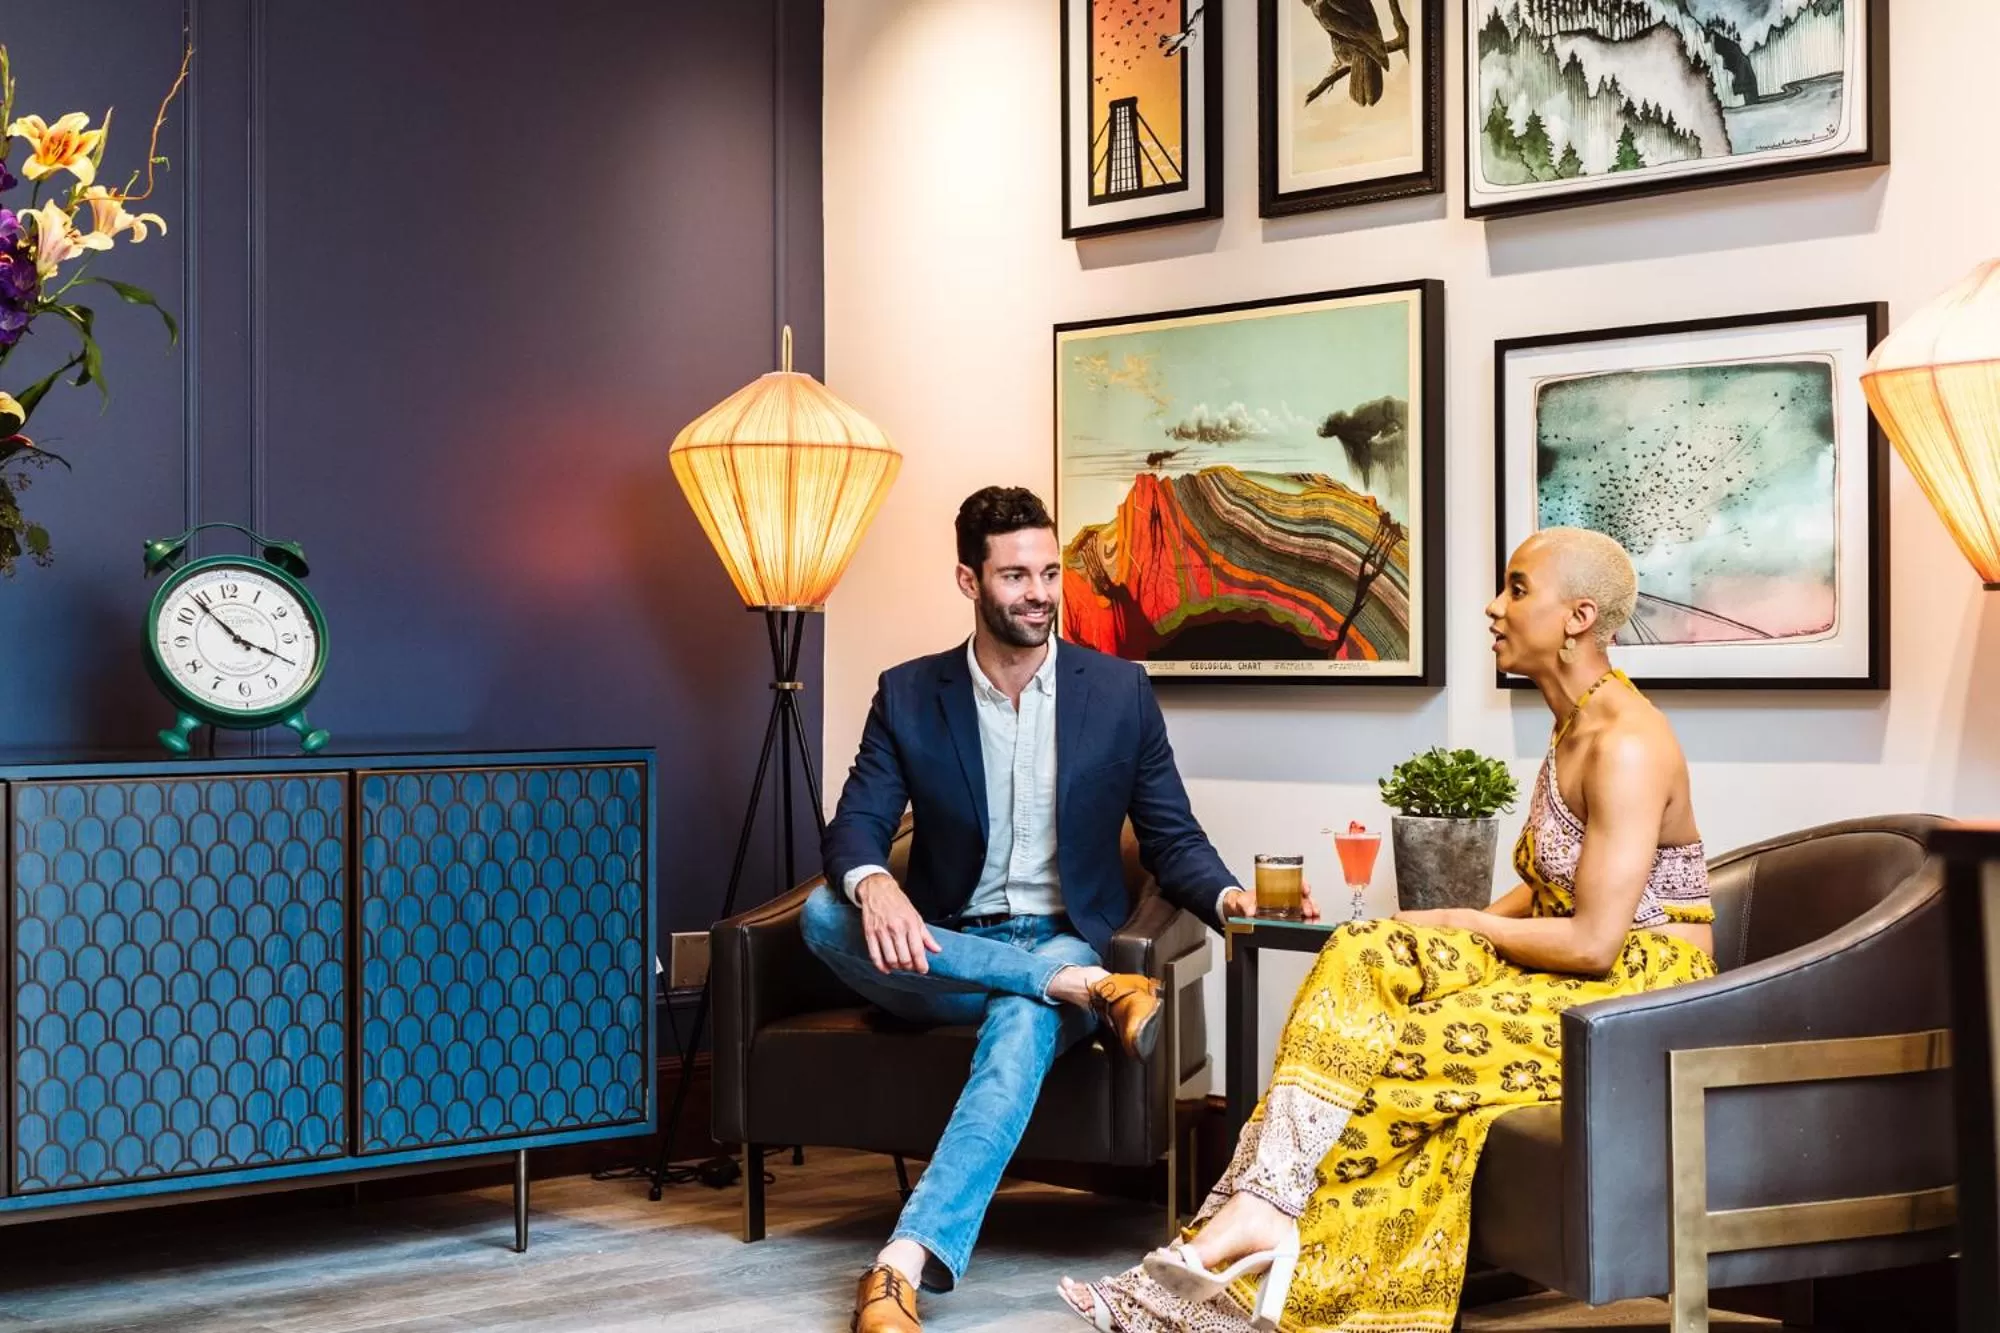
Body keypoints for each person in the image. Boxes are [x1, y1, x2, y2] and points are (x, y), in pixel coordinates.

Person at [1061, 527, 1716, 1333]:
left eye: (1516, 588)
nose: (1493, 605)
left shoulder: (1626, 742)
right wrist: (1422, 928)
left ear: (1579, 616)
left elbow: (1591, 942)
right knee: (1363, 948)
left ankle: (1234, 1276)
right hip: (1587, 976)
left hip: (1642, 999)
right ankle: (1255, 1215)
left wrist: (1457, 920)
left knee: (1395, 1047)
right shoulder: (1573, 719)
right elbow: (1552, 889)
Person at [810, 486, 1317, 1333]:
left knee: (1020, 1017)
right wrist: (875, 882)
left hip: (1053, 930)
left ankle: (899, 1266)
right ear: (969, 582)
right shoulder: (908, 694)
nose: (1040, 592)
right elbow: (857, 823)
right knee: (825, 917)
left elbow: (1171, 835)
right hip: (942, 951)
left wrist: (1229, 896)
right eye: (1015, 575)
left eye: (1049, 571)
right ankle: (1084, 985)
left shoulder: (1117, 692)